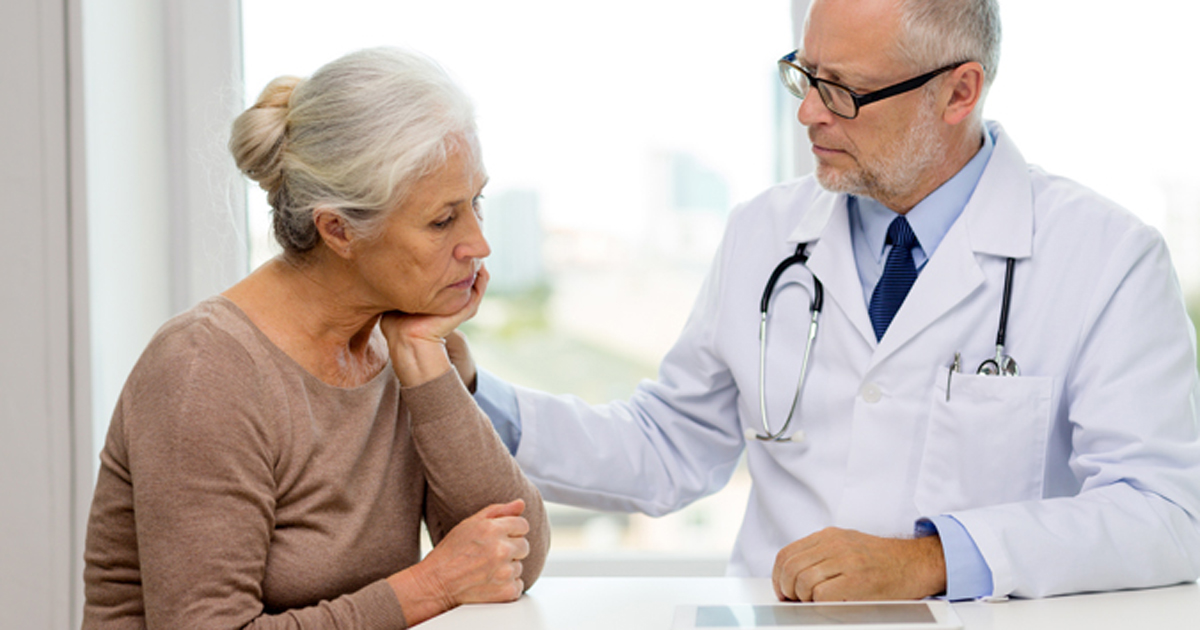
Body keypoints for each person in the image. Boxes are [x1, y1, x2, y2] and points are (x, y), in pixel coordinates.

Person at [462, 0, 1200, 602]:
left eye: (843, 90)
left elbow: (1166, 515)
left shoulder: (1106, 256)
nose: (809, 114)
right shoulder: (765, 232)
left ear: (960, 91)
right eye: (804, 76)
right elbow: (666, 447)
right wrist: (466, 395)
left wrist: (930, 561)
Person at [82, 47, 549, 628]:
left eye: (475, 202)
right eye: (442, 219)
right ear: (338, 229)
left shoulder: (411, 348)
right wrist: (428, 587)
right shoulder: (205, 370)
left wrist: (428, 364)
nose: (478, 243)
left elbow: (512, 558)